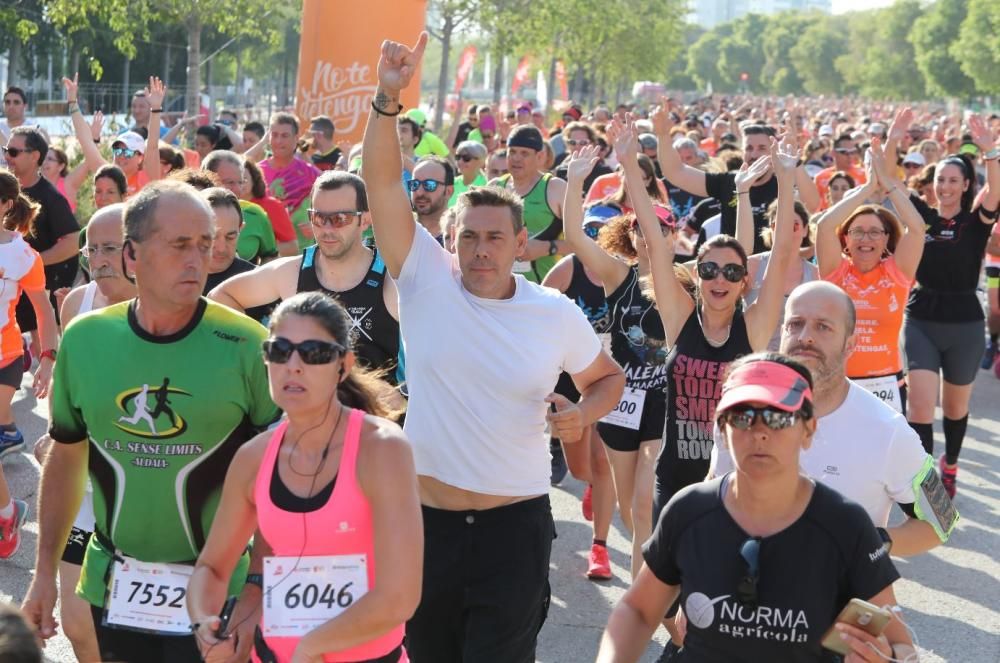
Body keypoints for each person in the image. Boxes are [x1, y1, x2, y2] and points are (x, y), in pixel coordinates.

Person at [363, 33, 624, 662]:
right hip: (428, 522)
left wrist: (580, 415)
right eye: (470, 236)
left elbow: (606, 378)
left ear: (518, 245)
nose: (481, 250)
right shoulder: (424, 276)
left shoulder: (552, 312)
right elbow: (380, 183)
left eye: (496, 238)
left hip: (515, 524)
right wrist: (387, 99)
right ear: (450, 239)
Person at [21, 180, 280, 663]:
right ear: (132, 256)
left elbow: (278, 474)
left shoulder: (248, 345)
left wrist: (258, 589)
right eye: (179, 244)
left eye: (205, 245)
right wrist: (42, 572)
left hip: (220, 588)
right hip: (115, 582)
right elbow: (65, 458)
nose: (197, 259)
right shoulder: (86, 339)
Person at [598, 353, 916, 663]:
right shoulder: (690, 511)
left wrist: (888, 657)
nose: (760, 432)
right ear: (722, 429)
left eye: (778, 417)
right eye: (743, 417)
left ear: (808, 430)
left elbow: (902, 645)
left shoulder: (845, 525)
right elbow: (638, 611)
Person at [187, 292, 421, 662]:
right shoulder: (253, 457)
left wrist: (312, 646)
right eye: (279, 351)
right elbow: (212, 568)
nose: (292, 366)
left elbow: (399, 598)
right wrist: (204, 624)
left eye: (313, 353)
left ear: (342, 366)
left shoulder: (382, 448)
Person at [711, 281, 958, 557]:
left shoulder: (887, 430)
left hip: (834, 597)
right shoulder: (740, 411)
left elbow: (941, 522)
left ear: (850, 344)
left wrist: (869, 544)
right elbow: (713, 488)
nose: (805, 337)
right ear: (782, 333)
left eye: (823, 327)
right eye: (795, 324)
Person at [562, 143, 671, 581]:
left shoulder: (689, 279)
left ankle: (645, 599)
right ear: (632, 235)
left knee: (645, 500)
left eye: (662, 227)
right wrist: (574, 182)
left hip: (666, 402)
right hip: (623, 400)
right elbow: (572, 234)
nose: (652, 236)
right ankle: (649, 578)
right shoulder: (617, 276)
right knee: (631, 511)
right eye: (643, 229)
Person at [36, 204, 134, 662]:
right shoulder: (78, 302)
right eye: (92, 250)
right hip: (85, 485)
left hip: (145, 486)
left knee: (137, 627)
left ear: (138, 249)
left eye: (110, 248)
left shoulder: (171, 306)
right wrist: (55, 432)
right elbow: (65, 388)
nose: (98, 260)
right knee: (78, 623)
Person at [210, 171, 403, 385]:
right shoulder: (290, 273)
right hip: (309, 410)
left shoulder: (393, 280)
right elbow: (221, 296)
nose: (327, 229)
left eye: (340, 219)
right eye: (319, 218)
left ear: (365, 220)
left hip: (374, 411)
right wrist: (268, 355)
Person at [903, 115, 999, 498]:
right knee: (921, 409)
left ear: (965, 186)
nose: (944, 186)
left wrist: (991, 150)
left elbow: (996, 188)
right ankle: (926, 481)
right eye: (940, 179)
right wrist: (892, 144)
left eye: (953, 181)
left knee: (955, 408)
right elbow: (889, 188)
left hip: (965, 324)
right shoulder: (920, 217)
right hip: (922, 317)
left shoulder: (976, 221)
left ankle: (951, 464)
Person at [816, 138, 925, 412]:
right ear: (846, 239)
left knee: (881, 456)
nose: (866, 239)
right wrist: (865, 188)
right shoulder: (835, 272)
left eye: (875, 232)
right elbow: (824, 226)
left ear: (887, 239)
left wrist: (887, 184)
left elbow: (918, 228)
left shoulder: (897, 273)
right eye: (858, 231)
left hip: (886, 384)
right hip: (837, 384)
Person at [541, 207, 618, 580]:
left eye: (601, 232)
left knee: (603, 464)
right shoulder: (569, 269)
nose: (594, 239)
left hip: (609, 376)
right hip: (571, 377)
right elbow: (537, 310)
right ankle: (590, 485)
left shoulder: (625, 274)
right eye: (588, 230)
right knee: (581, 467)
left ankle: (599, 547)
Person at [654, 105, 819, 255]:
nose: (754, 154)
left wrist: (794, 160)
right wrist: (662, 135)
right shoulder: (729, 181)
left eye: (762, 148)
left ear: (773, 152)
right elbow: (675, 172)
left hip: (772, 270)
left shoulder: (782, 183)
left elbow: (812, 204)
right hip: (733, 273)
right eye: (749, 148)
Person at [0, 170, 58, 560]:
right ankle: (8, 511)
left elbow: (44, 311)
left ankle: (6, 519)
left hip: (5, 356)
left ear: (6, 205)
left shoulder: (24, 256)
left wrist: (48, 359)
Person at [5, 126, 80, 350]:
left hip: (37, 289)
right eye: (5, 150)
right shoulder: (5, 190)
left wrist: (32, 262)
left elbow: (73, 241)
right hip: (9, 286)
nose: (8, 157)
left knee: (43, 349)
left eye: (14, 152)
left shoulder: (51, 198)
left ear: (35, 156)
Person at [734, 156, 819, 352]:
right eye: (778, 225)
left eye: (794, 225)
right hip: (753, 358)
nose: (785, 230)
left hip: (796, 361)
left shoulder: (814, 275)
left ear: (806, 230)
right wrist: (742, 191)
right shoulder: (753, 265)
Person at [488, 124, 569, 283]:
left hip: (545, 289)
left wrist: (547, 248)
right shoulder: (495, 187)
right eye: (512, 152)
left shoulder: (555, 188)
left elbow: (583, 243)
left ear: (539, 157)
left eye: (524, 153)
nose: (516, 158)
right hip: (501, 288)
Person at [65, 74, 163, 196]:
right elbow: (86, 143)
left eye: (128, 152)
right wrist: (72, 103)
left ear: (140, 158)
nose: (121, 156)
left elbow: (153, 146)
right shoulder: (109, 174)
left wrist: (156, 108)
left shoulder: (148, 178)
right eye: (118, 151)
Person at [202, 149, 279, 263]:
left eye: (240, 182)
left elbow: (270, 257)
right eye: (229, 182)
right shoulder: (189, 215)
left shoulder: (255, 214)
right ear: (207, 180)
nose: (238, 189)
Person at [260, 112, 322, 250]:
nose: (278, 141)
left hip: (302, 254)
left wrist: (318, 226)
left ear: (296, 139)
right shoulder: (257, 172)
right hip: (267, 255)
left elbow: (332, 205)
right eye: (274, 135)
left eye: (284, 136)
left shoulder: (310, 173)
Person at [242, 158, 299, 257]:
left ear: (254, 179)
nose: (239, 183)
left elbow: (292, 247)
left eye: (243, 179)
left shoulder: (271, 205)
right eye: (230, 180)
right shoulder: (221, 205)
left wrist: (259, 255)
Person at [814, 133, 868, 209]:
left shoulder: (865, 175)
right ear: (833, 153)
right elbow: (816, 207)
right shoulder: (820, 178)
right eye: (844, 152)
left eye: (852, 152)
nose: (849, 156)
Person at [409, 155, 454, 241]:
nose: (419, 192)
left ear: (449, 191)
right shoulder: (399, 231)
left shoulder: (458, 237)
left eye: (429, 185)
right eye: (415, 184)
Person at [449, 140, 487, 208]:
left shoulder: (486, 185)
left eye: (466, 158)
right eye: (458, 157)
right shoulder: (451, 184)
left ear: (481, 161)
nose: (460, 161)